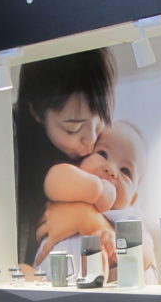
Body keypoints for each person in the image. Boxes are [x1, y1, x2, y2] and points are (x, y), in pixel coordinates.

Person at [13, 48, 116, 269]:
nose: (90, 141)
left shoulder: (107, 145)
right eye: (73, 128)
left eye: (99, 122)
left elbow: (140, 249)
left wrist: (84, 218)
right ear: (35, 111)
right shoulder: (6, 144)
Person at [34, 121, 156, 280]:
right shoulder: (72, 190)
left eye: (125, 171)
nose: (111, 169)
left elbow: (146, 254)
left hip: (88, 288)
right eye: (103, 154)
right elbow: (53, 181)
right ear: (80, 160)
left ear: (132, 199)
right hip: (44, 280)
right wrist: (98, 189)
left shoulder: (125, 217)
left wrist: (116, 244)